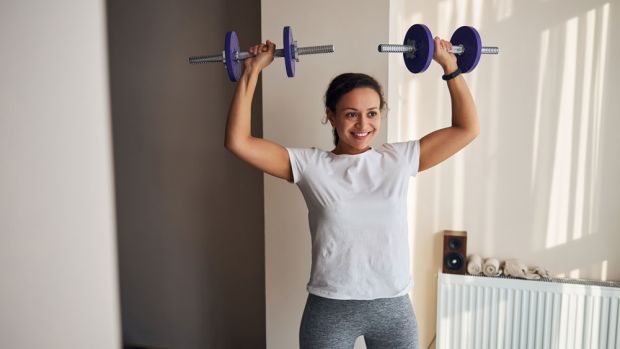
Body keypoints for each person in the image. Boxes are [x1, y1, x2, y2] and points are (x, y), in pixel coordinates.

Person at [225, 36, 479, 349]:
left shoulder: (398, 160)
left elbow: (467, 129)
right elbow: (239, 142)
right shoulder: (311, 165)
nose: (362, 124)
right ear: (330, 115)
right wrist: (251, 72)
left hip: (393, 309)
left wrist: (450, 66)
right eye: (350, 114)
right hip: (331, 309)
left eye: (372, 113)